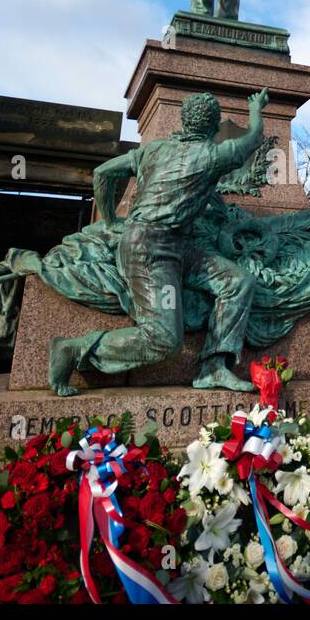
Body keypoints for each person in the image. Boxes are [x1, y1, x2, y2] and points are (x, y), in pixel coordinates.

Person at [47, 88, 270, 395]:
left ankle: (213, 368)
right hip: (151, 252)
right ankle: (76, 350)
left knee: (238, 281)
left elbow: (102, 173)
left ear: (185, 122)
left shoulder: (154, 150)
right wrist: (256, 107)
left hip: (177, 246)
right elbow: (254, 138)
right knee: (164, 339)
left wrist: (111, 221)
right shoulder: (212, 155)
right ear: (216, 127)